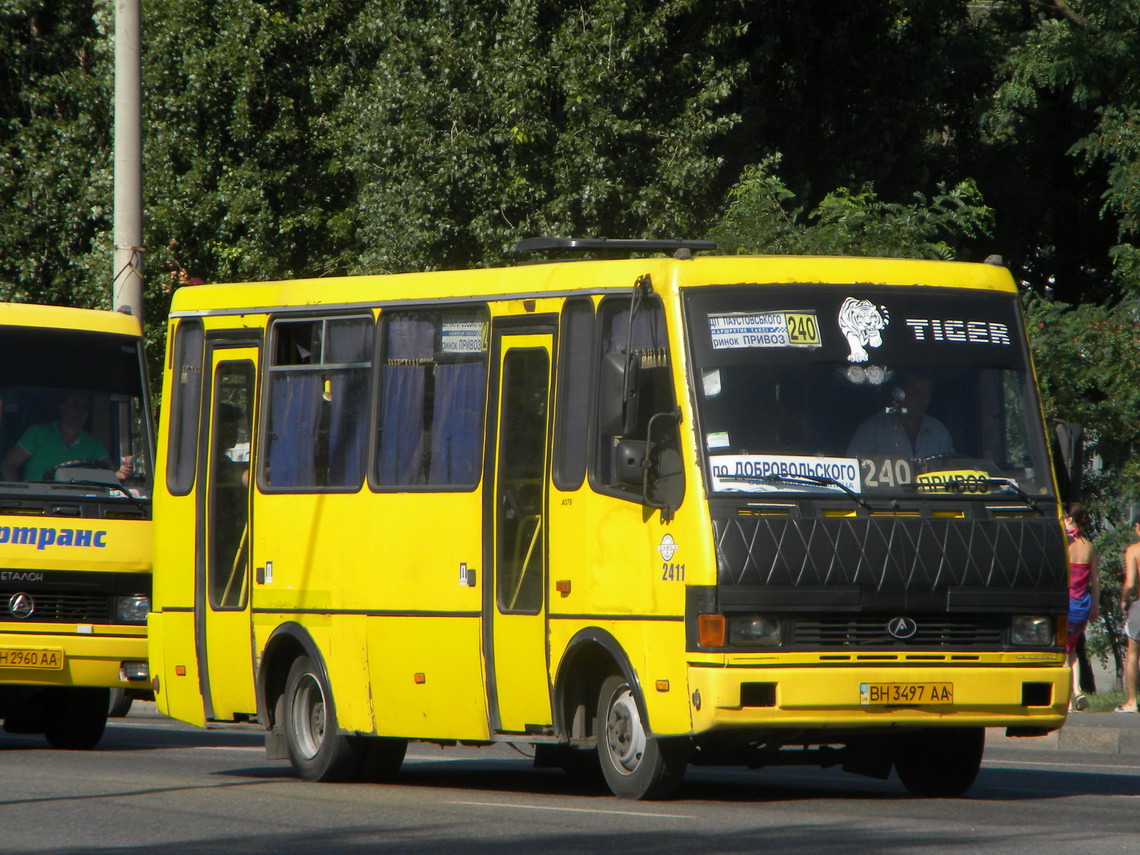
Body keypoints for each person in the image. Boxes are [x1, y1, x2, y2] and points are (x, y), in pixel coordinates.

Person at [0, 392, 127, 482]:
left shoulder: (94, 443)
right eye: (74, 405)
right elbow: (8, 465)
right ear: (62, 407)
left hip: (81, 504)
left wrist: (121, 473)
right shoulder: (37, 433)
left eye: (84, 406)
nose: (79, 410)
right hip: (38, 504)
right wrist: (21, 497)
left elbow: (112, 473)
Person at [847, 370, 954, 458]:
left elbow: (952, 469)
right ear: (899, 395)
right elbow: (854, 467)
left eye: (926, 394)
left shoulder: (938, 431)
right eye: (916, 393)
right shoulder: (873, 429)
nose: (922, 400)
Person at [1064, 503, 1099, 712]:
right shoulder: (1090, 547)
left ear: (1069, 519)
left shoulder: (1064, 543)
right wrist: (1095, 606)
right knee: (1073, 649)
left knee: (1062, 650)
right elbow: (1095, 581)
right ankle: (1077, 690)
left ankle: (1070, 698)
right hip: (1082, 604)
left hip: (1065, 602)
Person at [1117, 505, 1140, 713]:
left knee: (1133, 653)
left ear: (1137, 527)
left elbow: (1130, 584)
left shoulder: (1134, 550)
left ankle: (1132, 701)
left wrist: (1125, 601)